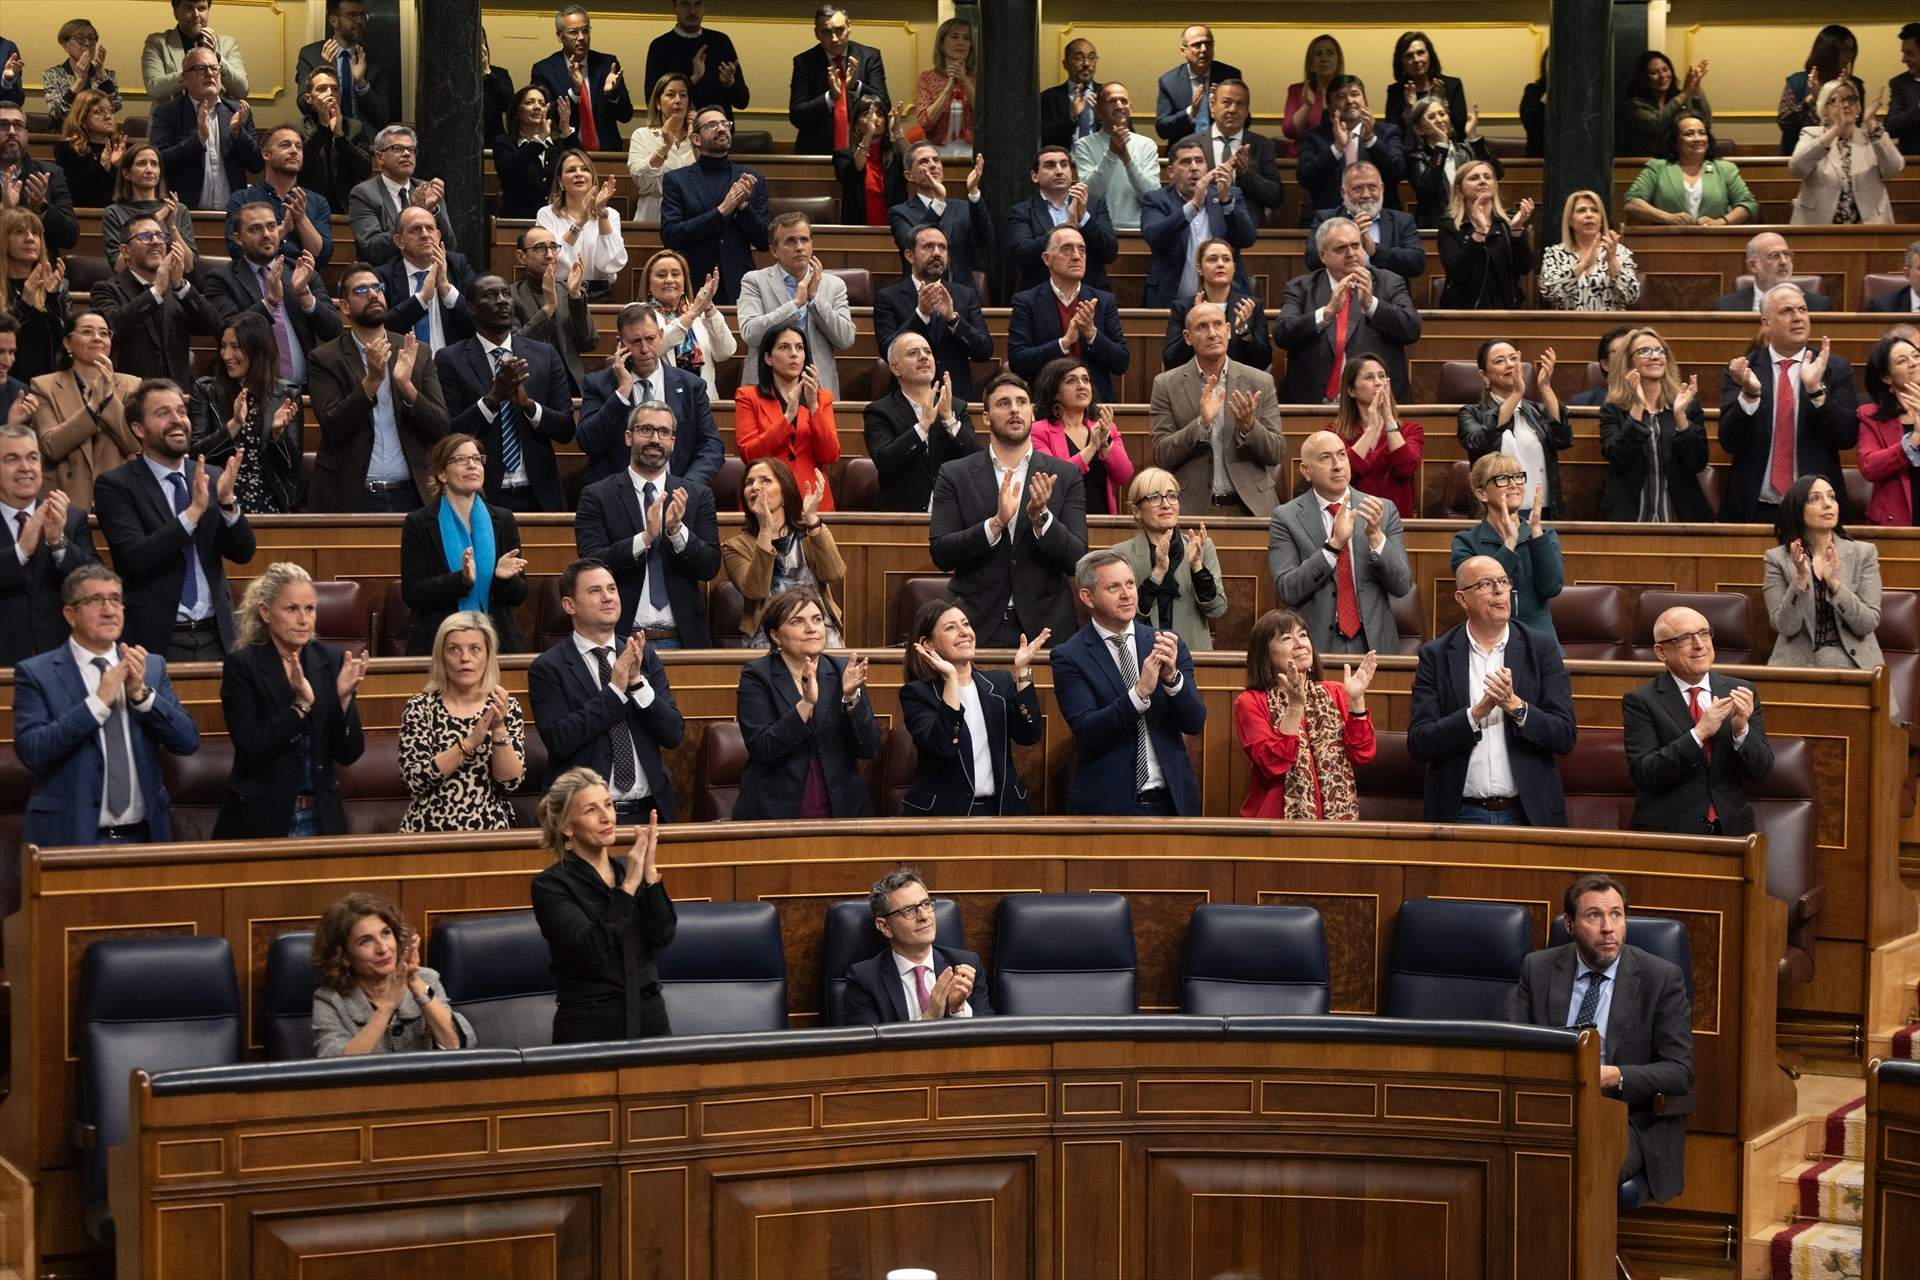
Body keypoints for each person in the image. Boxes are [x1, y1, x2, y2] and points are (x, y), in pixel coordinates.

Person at [1509, 875, 1695, 1205]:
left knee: (1572, 1166)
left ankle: (1570, 1256)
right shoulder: (1537, 969)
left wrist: (1614, 1075)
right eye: (1594, 916)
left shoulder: (1660, 978)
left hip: (1626, 1117)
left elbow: (1680, 1072)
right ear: (1569, 923)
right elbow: (1512, 1047)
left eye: (1617, 915)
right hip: (1546, 1109)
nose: (1608, 927)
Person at [14, 564, 198, 846]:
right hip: (69, 839)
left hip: (145, 837)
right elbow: (33, 752)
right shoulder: (37, 673)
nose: (109, 610)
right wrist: (97, 703)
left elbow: (187, 742)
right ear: (70, 614)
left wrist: (143, 697)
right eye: (95, 600)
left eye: (115, 599)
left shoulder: (150, 667)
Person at [92, 377, 256, 659]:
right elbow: (136, 558)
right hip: (155, 642)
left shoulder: (210, 475)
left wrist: (228, 503)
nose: (177, 420)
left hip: (217, 636)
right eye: (163, 413)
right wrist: (192, 513)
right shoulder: (116, 486)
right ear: (138, 429)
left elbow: (243, 552)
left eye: (180, 411)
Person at [1407, 554, 1576, 825]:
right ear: (1462, 599)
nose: (1499, 591)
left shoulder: (1541, 649)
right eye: (1486, 584)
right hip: (1460, 813)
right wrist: (1474, 715)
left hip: (1528, 813)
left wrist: (1517, 708)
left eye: (1503, 582)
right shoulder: (1435, 656)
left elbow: (1565, 735)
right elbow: (1420, 742)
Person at [929, 371, 1088, 646]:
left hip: (1047, 626)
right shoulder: (955, 474)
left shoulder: (1065, 475)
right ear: (987, 417)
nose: (1014, 409)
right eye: (1003, 403)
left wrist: (1041, 518)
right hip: (975, 624)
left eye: (1021, 402)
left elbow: (1076, 559)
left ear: (1033, 413)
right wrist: (996, 524)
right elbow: (942, 553)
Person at [213, 562, 368, 839]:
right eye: (292, 609)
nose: (303, 619)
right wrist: (300, 707)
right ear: (265, 612)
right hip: (262, 818)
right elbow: (251, 750)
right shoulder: (242, 665)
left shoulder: (330, 660)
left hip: (321, 818)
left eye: (310, 609)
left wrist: (343, 702)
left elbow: (349, 753)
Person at [528, 558, 686, 822]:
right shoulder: (548, 668)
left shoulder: (642, 655)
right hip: (582, 818)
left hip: (647, 813)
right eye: (595, 591)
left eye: (612, 589)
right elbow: (560, 740)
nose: (608, 597)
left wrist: (636, 683)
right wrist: (614, 690)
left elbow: (673, 734)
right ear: (569, 605)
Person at [1051, 549, 1207, 816]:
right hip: (1107, 806)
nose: (1127, 594)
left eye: (1130, 584)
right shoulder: (1069, 656)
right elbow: (1088, 731)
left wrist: (1172, 680)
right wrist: (1139, 694)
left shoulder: (1167, 642)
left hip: (1172, 803)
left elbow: (1194, 721)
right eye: (1113, 587)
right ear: (1087, 597)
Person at [531, 767, 676, 1043]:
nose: (606, 816)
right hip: (590, 1025)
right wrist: (630, 886)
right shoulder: (551, 885)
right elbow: (592, 948)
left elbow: (664, 934)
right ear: (567, 827)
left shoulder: (627, 869)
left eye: (608, 804)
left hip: (650, 1017)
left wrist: (649, 875)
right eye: (590, 810)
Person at [574, 400, 721, 646]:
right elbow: (591, 563)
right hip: (620, 638)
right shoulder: (597, 495)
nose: (655, 439)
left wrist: (676, 531)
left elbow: (710, 567)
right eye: (646, 430)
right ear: (629, 437)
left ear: (673, 442)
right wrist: (645, 538)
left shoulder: (696, 495)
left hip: (682, 640)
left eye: (664, 432)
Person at [306, 263, 448, 513]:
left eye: (377, 288)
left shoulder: (416, 352)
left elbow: (441, 427)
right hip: (352, 495)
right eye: (361, 290)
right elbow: (333, 427)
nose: (373, 294)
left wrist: (407, 387)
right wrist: (370, 383)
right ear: (345, 306)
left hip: (413, 494)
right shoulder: (325, 359)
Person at [1625, 606, 1773, 836]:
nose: (1699, 645)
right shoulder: (1641, 701)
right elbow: (1646, 774)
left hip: (1733, 830)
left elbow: (1761, 772)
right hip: (1670, 833)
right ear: (1661, 651)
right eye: (1685, 638)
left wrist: (1741, 731)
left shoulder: (1741, 691)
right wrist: (1698, 734)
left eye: (1704, 633)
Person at [433, 274, 575, 514]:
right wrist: (493, 399)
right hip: (481, 495)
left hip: (539, 494)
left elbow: (565, 430)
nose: (502, 301)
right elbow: (450, 432)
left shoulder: (545, 355)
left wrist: (529, 405)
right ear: (471, 308)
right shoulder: (450, 360)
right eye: (490, 295)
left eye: (506, 294)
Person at [733, 586, 878, 820]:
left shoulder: (843, 671)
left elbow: (868, 748)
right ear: (775, 635)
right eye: (797, 621)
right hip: (775, 810)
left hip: (842, 809)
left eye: (817, 619)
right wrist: (805, 705)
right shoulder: (757, 675)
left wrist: (852, 699)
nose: (811, 628)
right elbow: (764, 750)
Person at [1718, 284, 1859, 524]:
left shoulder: (1834, 368)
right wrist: (1750, 395)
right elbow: (1729, 441)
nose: (1798, 317)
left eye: (1802, 309)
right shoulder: (1744, 370)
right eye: (1786, 311)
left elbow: (1846, 437)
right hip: (1754, 508)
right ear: (1766, 323)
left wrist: (1816, 392)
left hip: (1815, 511)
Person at [1269, 429, 1411, 658]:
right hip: (1315, 648)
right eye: (1325, 458)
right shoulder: (1286, 517)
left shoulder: (1381, 511)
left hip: (1373, 643)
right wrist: (1333, 546)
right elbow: (1288, 589)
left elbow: (1402, 585)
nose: (1338, 465)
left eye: (1342, 455)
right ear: (1306, 471)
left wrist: (1376, 537)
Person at [1235, 607, 1377, 819]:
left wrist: (1356, 702)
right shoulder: (1250, 702)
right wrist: (1294, 707)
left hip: (1338, 827)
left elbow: (1362, 754)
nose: (1300, 643)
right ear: (1265, 652)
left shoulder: (1334, 692)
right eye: (1286, 638)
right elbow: (1272, 765)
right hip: (1275, 826)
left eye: (1303, 635)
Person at [1150, 300, 1284, 519]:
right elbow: (1161, 454)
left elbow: (1276, 452)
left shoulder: (1260, 382)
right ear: (1187, 337)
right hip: (1191, 509)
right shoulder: (1166, 385)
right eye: (1202, 327)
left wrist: (1250, 426)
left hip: (1251, 507)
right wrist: (1200, 424)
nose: (1212, 333)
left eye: (1218, 324)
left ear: (1229, 331)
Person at [399, 433, 527, 656]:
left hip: (497, 644)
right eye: (461, 460)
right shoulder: (419, 523)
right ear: (441, 474)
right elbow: (413, 593)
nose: (472, 465)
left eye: (477, 459)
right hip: (438, 645)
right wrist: (461, 581)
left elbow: (519, 595)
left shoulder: (504, 519)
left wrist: (502, 579)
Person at [398, 610, 525, 833]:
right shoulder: (420, 707)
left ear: (488, 655)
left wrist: (498, 729)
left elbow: (510, 783)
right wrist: (468, 744)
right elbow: (416, 779)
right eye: (454, 649)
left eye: (474, 649)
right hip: (426, 830)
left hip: (490, 829)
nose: (465, 658)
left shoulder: (505, 705)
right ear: (441, 656)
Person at [1276, 216, 1421, 403]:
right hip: (1315, 402)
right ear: (1322, 255)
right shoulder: (1301, 288)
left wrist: (1371, 305)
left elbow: (1411, 329)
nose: (1351, 253)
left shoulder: (1389, 282)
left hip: (1377, 403)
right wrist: (1327, 313)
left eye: (1355, 245)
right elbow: (1282, 334)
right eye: (1341, 248)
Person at [577, 303, 721, 488]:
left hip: (678, 492)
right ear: (620, 344)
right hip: (618, 496)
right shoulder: (598, 384)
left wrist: (687, 486)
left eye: (650, 339)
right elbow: (589, 443)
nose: (645, 349)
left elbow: (711, 445)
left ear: (661, 335)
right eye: (636, 342)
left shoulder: (691, 386)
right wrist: (622, 391)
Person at [310, 893, 471, 1056]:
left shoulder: (426, 979)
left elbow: (459, 1046)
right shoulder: (330, 1000)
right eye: (365, 941)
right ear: (343, 956)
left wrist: (416, 985)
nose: (383, 948)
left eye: (386, 933)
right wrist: (387, 1007)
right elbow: (335, 1067)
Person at [205, 201, 343, 388]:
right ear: (238, 238)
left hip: (304, 390)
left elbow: (333, 330)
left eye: (271, 226)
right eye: (255, 229)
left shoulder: (301, 272)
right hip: (248, 390)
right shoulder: (221, 279)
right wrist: (270, 302)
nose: (267, 235)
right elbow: (228, 330)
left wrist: (304, 295)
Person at [0, 422, 100, 666]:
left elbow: (95, 582)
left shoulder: (71, 518)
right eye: (12, 459)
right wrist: (20, 551)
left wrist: (58, 543)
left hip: (62, 663)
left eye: (32, 458)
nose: (26, 468)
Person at [1763, 475, 1883, 675]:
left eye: (1832, 497)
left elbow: (1867, 623)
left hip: (1856, 667)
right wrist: (1800, 579)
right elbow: (1786, 627)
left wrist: (1835, 584)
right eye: (1815, 499)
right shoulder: (1777, 559)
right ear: (1797, 509)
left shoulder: (1864, 554)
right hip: (1797, 667)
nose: (1828, 504)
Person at [723, 456, 845, 646]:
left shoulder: (810, 533)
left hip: (819, 632)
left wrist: (811, 517)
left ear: (785, 492)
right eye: (749, 482)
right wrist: (765, 529)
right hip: (768, 636)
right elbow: (755, 591)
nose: (755, 486)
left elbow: (834, 573)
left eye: (765, 480)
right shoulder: (735, 547)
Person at [841, 868, 993, 1020]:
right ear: (885, 927)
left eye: (926, 904)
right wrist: (930, 1016)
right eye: (909, 910)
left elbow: (990, 1035)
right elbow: (867, 1043)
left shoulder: (966, 966)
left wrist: (957, 1009)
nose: (924, 916)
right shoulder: (864, 979)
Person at [90, 213, 222, 386]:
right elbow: (112, 329)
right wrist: (156, 291)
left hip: (178, 396)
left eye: (160, 235)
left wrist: (181, 286)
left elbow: (215, 327)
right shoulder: (107, 289)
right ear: (125, 251)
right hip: (131, 396)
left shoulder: (177, 290)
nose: (156, 241)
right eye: (145, 236)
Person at [187, 312, 301, 514]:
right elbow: (197, 455)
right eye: (223, 346)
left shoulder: (286, 394)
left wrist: (277, 436)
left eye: (236, 347)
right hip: (217, 504)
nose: (226, 355)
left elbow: (291, 466)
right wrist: (233, 425)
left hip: (271, 505)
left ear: (258, 349)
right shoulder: (207, 390)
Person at [1006, 225, 1129, 403]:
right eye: (1067, 249)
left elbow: (1121, 362)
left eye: (1082, 250)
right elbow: (1018, 362)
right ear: (1047, 259)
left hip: (1095, 405)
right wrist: (1064, 343)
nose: (1077, 256)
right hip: (1046, 405)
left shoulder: (1104, 300)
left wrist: (1091, 333)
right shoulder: (1027, 302)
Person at [1601, 327, 1711, 522]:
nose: (1654, 356)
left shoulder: (1686, 403)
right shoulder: (1614, 407)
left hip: (1681, 516)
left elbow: (1698, 462)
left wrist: (1680, 417)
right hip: (1629, 516)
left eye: (1660, 350)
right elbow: (1618, 458)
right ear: (1628, 362)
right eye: (1644, 351)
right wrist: (1637, 407)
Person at [660, 106, 768, 305]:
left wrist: (743, 209)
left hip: (740, 283)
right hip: (695, 282)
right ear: (697, 139)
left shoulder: (752, 180)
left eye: (725, 124)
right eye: (712, 125)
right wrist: (720, 212)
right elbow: (671, 236)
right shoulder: (677, 180)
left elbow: (763, 241)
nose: (721, 128)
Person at [1450, 453, 1563, 643]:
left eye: (1518, 477)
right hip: (1488, 638)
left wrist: (1535, 530)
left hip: (1540, 641)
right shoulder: (1466, 542)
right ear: (1481, 493)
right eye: (1502, 479)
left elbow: (1551, 588)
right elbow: (1482, 592)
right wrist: (1510, 543)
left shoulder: (1544, 535)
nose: (1514, 484)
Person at [739, 213, 854, 397]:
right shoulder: (754, 281)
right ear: (774, 251)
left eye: (804, 240)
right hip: (766, 387)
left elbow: (846, 338)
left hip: (818, 386)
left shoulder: (834, 285)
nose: (799, 247)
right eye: (790, 241)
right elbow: (750, 334)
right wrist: (795, 304)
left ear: (811, 244)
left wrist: (814, 299)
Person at [1112, 467, 1225, 653]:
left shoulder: (1202, 548)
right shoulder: (1120, 555)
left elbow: (1217, 609)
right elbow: (1121, 614)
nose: (1166, 504)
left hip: (1192, 656)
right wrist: (1157, 574)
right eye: (1155, 497)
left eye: (1172, 496)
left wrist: (1197, 567)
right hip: (1140, 656)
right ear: (1136, 511)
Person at [863, 332, 978, 513]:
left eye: (928, 352)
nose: (924, 357)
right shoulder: (879, 412)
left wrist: (949, 419)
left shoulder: (956, 406)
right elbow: (886, 462)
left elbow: (976, 460)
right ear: (895, 368)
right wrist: (923, 426)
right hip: (901, 519)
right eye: (913, 353)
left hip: (952, 514)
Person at [29, 310, 134, 508]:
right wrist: (93, 407)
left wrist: (109, 398)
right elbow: (51, 447)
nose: (97, 338)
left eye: (104, 333)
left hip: (117, 498)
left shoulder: (132, 385)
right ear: (67, 343)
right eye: (87, 332)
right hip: (63, 499)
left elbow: (134, 444)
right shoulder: (43, 386)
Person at [875, 224, 991, 401]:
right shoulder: (888, 297)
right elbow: (887, 351)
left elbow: (984, 351)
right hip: (908, 400)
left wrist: (953, 319)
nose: (937, 253)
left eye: (942, 248)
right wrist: (920, 314)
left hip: (956, 399)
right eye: (928, 247)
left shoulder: (965, 295)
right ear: (909, 255)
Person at [735, 321, 841, 511]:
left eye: (799, 348)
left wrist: (814, 409)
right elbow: (749, 455)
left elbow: (830, 455)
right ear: (768, 358)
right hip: (764, 500)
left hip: (812, 499)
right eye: (784, 347)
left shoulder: (822, 398)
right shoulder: (748, 397)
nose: (794, 353)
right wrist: (787, 417)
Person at [1459, 339, 1571, 518]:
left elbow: (1563, 439)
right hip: (1496, 515)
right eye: (1499, 361)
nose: (1509, 364)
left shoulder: (1537, 411)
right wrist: (1516, 394)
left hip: (1544, 512)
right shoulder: (1472, 413)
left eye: (1513, 358)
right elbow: (1480, 443)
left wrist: (1545, 387)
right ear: (1484, 375)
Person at [1140, 136, 1255, 309]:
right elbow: (1155, 237)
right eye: (1186, 162)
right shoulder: (1156, 200)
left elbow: (1247, 239)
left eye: (1199, 161)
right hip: (1171, 303)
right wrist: (1193, 205)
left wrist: (1226, 202)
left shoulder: (1230, 194)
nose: (1194, 168)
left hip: (1223, 305)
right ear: (1171, 172)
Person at [146, 44, 260, 210]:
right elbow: (161, 163)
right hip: (185, 214)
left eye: (214, 68)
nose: (209, 73)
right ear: (185, 78)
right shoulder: (167, 113)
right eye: (200, 68)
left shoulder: (237, 112)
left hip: (234, 215)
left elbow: (257, 164)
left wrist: (237, 132)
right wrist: (198, 138)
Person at [1788, 80, 1905, 225]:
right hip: (1818, 227)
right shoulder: (1811, 134)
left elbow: (1894, 170)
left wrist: (1871, 124)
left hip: (1870, 227)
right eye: (1836, 101)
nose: (1846, 105)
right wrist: (1835, 129)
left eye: (1851, 99)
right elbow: (1797, 169)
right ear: (1823, 110)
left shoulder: (1872, 136)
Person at [1033, 354, 1135, 518]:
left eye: (1085, 380)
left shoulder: (1105, 427)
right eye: (1071, 381)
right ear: (1055, 393)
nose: (1081, 386)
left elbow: (1124, 476)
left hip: (1102, 521)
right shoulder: (1038, 432)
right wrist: (1091, 447)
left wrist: (1105, 443)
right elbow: (1055, 481)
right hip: (1060, 521)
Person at [1008, 144, 1119, 294]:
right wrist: (1065, 228)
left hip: (1090, 294)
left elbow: (1109, 253)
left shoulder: (1094, 204)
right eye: (1050, 165)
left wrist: (1084, 218)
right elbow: (1023, 255)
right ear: (1035, 176)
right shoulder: (1022, 211)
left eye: (1064, 164)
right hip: (1041, 296)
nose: (1059, 171)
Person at [1296, 76, 1405, 223]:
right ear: (1330, 106)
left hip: (1380, 220)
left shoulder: (1387, 133)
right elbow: (1305, 177)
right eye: (1340, 97)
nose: (1349, 101)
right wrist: (1337, 148)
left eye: (1354, 94)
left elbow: (1397, 171)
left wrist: (1370, 140)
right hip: (1330, 221)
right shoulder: (1314, 137)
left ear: (1364, 99)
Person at [347, 124, 456, 267]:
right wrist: (413, 212)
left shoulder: (427, 190)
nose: (406, 154)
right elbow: (373, 250)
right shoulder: (364, 194)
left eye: (411, 149)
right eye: (397, 149)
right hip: (385, 278)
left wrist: (432, 210)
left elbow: (449, 245)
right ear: (380, 157)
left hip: (428, 270)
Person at [1622, 112, 1757, 227]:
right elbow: (1632, 202)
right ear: (1676, 141)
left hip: (1715, 242)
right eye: (1689, 134)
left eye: (1702, 133)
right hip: (1667, 242)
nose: (1697, 139)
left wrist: (1721, 222)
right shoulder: (1658, 167)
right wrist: (1668, 218)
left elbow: (1748, 204)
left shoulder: (1725, 169)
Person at [223, 126, 333, 267]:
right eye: (285, 145)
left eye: (299, 147)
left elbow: (323, 256)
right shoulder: (242, 199)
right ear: (266, 154)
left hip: (303, 280)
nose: (294, 151)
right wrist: (284, 229)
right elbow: (236, 250)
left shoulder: (318, 202)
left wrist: (301, 218)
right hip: (257, 281)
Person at [789, 4, 890, 157]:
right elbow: (797, 116)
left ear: (849, 27)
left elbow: (884, 104)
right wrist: (831, 98)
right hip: (817, 153)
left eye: (839, 30)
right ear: (817, 33)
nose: (834, 38)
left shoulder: (870, 57)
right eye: (827, 32)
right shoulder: (804, 62)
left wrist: (855, 86)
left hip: (865, 150)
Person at [374, 206, 477, 354]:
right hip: (404, 366)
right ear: (399, 241)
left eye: (430, 228)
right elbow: (381, 328)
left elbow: (479, 323)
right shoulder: (382, 276)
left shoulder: (458, 265)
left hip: (452, 369)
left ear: (438, 235)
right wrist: (420, 299)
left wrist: (447, 290)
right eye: (415, 229)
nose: (425, 235)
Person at [889, 143, 989, 291]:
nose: (933, 165)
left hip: (961, 295)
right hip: (919, 294)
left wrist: (973, 192)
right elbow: (913, 245)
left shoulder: (963, 208)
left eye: (936, 160)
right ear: (909, 175)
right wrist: (938, 202)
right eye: (924, 161)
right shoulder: (899, 213)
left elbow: (984, 238)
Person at [531, 4, 633, 151]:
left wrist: (612, 94)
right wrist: (575, 92)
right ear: (560, 36)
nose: (581, 37)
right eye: (573, 32)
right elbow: (546, 118)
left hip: (606, 154)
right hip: (564, 155)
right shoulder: (544, 70)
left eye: (585, 31)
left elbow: (626, 115)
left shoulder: (607, 65)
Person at [1436, 160, 1535, 309]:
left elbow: (1524, 268)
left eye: (1487, 177)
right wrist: (1479, 233)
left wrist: (1516, 230)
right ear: (1460, 190)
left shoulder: (1508, 222)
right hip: (1464, 311)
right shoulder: (1449, 225)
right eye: (1474, 178)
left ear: (1494, 185)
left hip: (1506, 309)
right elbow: (1457, 273)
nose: (1482, 181)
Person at [1304, 162, 1426, 282]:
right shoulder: (1325, 218)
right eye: (1358, 189)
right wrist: (1349, 232)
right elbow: (1312, 260)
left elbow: (1416, 264)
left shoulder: (1402, 220)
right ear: (1343, 192)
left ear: (1382, 189)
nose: (1366, 195)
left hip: (1386, 297)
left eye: (1372, 187)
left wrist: (1374, 250)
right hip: (1339, 293)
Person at [1165, 239, 1273, 372]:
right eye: (1212, 259)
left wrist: (1243, 331)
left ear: (1234, 268)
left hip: (1239, 386)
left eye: (1226, 259)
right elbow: (1170, 360)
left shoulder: (1250, 306)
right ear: (1199, 269)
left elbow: (1263, 361)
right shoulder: (1183, 308)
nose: (1220, 264)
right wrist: (1195, 322)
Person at [537, 149, 628, 302]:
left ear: (592, 178)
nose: (578, 174)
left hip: (600, 294)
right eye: (571, 170)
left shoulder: (610, 214)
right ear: (560, 181)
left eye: (584, 169)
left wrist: (601, 213)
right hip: (559, 292)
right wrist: (579, 223)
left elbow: (610, 264)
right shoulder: (547, 214)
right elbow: (551, 260)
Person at [640, 248, 731, 399]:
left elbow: (725, 352)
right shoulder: (638, 313)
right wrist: (693, 313)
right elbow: (654, 347)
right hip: (662, 402)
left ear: (684, 282)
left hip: (704, 400)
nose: (669, 280)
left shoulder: (701, 312)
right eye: (661, 275)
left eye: (675, 274)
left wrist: (708, 307)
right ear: (648, 285)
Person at [516, 226, 597, 394]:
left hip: (570, 385)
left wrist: (575, 296)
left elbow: (588, 343)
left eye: (554, 247)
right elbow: (515, 347)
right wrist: (548, 308)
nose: (550, 255)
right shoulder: (510, 295)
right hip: (528, 386)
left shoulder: (570, 291)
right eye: (540, 248)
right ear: (521, 257)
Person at [1071, 82, 1162, 230]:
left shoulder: (1147, 145)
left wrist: (1126, 158)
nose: (1120, 106)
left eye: (1124, 101)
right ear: (1099, 111)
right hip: (1099, 229)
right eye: (1112, 101)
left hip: (1139, 230)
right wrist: (1112, 153)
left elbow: (1152, 196)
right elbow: (1091, 194)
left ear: (1130, 108)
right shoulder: (1084, 145)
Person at [1404, 94, 1499, 230]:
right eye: (1431, 117)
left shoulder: (1465, 150)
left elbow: (1498, 173)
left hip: (1472, 222)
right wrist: (1441, 147)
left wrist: (1472, 136)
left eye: (1442, 114)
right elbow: (1426, 189)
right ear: (1420, 129)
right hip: (1436, 226)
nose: (1439, 120)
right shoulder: (1416, 156)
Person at [644, 0, 749, 121]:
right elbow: (652, 102)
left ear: (704, 7)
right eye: (685, 4)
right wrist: (694, 78)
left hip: (718, 131)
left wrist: (730, 84)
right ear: (675, 7)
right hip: (678, 132)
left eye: (697, 4)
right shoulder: (660, 46)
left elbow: (743, 102)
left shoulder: (721, 41)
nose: (692, 11)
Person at [0, 102, 78, 262]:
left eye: (18, 125)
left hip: (40, 271)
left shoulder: (50, 174)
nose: (12, 132)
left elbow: (70, 236)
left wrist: (42, 207)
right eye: (3, 125)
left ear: (27, 135)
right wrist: (5, 210)